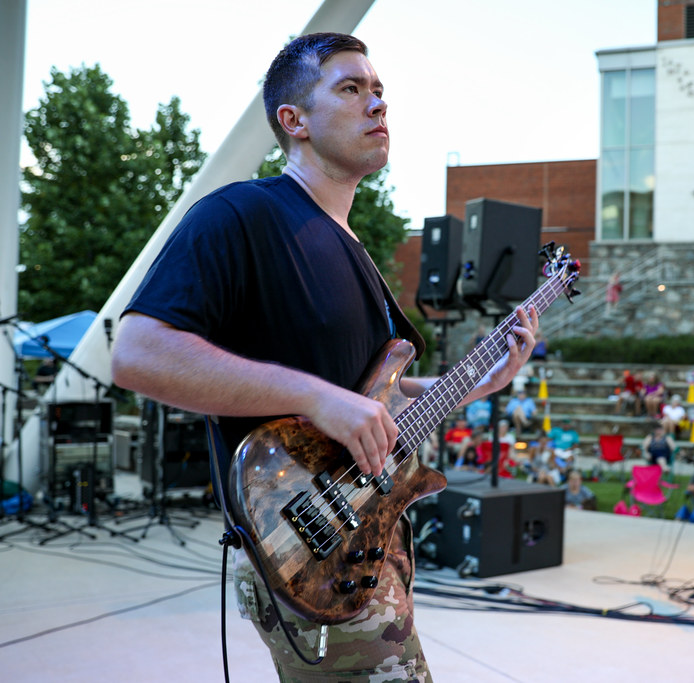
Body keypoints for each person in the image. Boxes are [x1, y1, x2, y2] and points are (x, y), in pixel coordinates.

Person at [110, 33, 539, 683]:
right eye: (350, 88)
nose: (377, 104)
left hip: (364, 545)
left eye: (379, 91)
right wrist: (315, 396)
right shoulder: (242, 214)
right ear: (294, 120)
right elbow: (138, 353)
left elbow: (369, 404)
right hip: (305, 545)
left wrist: (476, 383)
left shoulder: (358, 253)